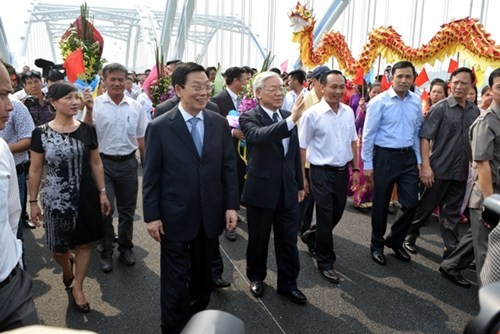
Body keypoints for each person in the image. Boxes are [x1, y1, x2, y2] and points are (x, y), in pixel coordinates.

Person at [142, 62, 239, 334]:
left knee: (202, 279)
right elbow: (151, 177)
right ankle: (172, 328)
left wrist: (231, 205)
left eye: (207, 86)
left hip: (209, 215)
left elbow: (228, 168)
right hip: (174, 216)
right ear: (178, 89)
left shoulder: (218, 123)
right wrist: (152, 216)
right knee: (174, 283)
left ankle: (197, 326)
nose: (203, 92)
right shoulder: (160, 126)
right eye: (196, 87)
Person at [29, 81, 111, 313]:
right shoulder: (40, 133)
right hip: (55, 198)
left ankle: (78, 286)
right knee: (57, 248)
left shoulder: (87, 130)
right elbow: (35, 169)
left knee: (85, 244)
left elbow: (96, 162)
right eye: (69, 98)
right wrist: (33, 202)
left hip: (85, 193)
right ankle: (67, 268)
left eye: (77, 97)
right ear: (53, 102)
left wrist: (103, 192)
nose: (75, 102)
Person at [239, 71, 307, 304]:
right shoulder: (250, 117)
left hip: (288, 190)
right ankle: (256, 277)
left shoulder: (289, 115)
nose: (279, 92)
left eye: (281, 88)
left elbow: (293, 155)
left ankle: (288, 284)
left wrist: (299, 182)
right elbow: (258, 137)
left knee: (288, 241)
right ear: (258, 93)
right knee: (258, 239)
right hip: (262, 190)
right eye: (273, 89)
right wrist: (290, 121)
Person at [404, 68, 480, 258]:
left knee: (452, 213)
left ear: (471, 86)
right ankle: (409, 235)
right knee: (425, 208)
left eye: (464, 83)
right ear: (450, 84)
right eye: (455, 82)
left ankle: (451, 251)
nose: (459, 86)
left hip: (461, 171)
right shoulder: (440, 108)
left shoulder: (474, 111)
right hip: (438, 170)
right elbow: (424, 138)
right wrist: (426, 167)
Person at [83, 63, 148, 273]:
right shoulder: (94, 104)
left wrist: (147, 163)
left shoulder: (136, 106)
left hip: (129, 164)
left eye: (121, 79)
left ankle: (126, 248)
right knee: (105, 210)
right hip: (103, 164)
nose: (118, 83)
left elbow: (141, 136)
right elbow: (84, 131)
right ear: (104, 81)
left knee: (128, 211)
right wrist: (89, 111)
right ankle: (105, 250)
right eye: (113, 79)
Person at [439, 68, 500, 287]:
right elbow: (482, 165)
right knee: (488, 249)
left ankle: (451, 264)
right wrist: (490, 204)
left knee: (477, 236)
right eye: (499, 87)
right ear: (490, 91)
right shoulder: (486, 123)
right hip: (487, 194)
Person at [299, 70, 359, 283]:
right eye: (333, 87)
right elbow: (302, 147)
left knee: (337, 213)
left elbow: (353, 141)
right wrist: (303, 178)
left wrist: (357, 170)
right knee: (325, 214)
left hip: (343, 172)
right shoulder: (311, 114)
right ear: (322, 87)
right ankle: (325, 261)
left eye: (341, 87)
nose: (337, 91)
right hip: (320, 172)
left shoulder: (347, 112)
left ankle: (312, 235)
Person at [362, 60, 423, 266]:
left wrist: (419, 160)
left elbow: (416, 133)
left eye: (408, 77)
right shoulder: (379, 102)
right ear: (392, 78)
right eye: (400, 76)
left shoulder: (416, 101)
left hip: (407, 158)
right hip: (385, 157)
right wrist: (368, 164)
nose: (404, 80)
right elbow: (369, 135)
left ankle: (395, 240)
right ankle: (376, 244)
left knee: (411, 203)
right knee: (381, 204)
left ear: (413, 78)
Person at [0, 60, 39, 331]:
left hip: (9, 285)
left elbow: (12, 217)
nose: (10, 105)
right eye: (1, 95)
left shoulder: (2, 150)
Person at [211, 66, 249, 240]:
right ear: (235, 81)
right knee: (226, 181)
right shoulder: (218, 100)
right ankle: (228, 226)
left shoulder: (246, 99)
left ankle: (234, 209)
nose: (246, 83)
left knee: (239, 180)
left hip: (243, 150)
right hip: (225, 149)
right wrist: (233, 132)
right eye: (244, 80)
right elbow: (215, 124)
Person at [352, 83, 382, 212]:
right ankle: (359, 200)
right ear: (368, 93)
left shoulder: (384, 106)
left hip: (379, 143)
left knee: (375, 172)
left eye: (379, 92)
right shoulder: (363, 106)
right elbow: (356, 124)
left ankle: (371, 199)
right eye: (374, 92)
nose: (376, 95)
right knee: (364, 172)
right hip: (364, 142)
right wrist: (363, 112)